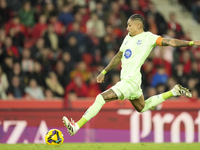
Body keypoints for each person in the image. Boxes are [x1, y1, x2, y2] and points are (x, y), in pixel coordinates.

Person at [63, 14, 197, 136]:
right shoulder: (127, 38)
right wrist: (104, 72)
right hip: (134, 81)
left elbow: (170, 42)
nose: (127, 28)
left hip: (130, 80)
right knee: (142, 107)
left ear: (138, 26)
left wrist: (190, 43)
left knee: (100, 98)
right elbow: (118, 56)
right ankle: (173, 91)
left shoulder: (148, 37)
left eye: (129, 25)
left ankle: (76, 126)